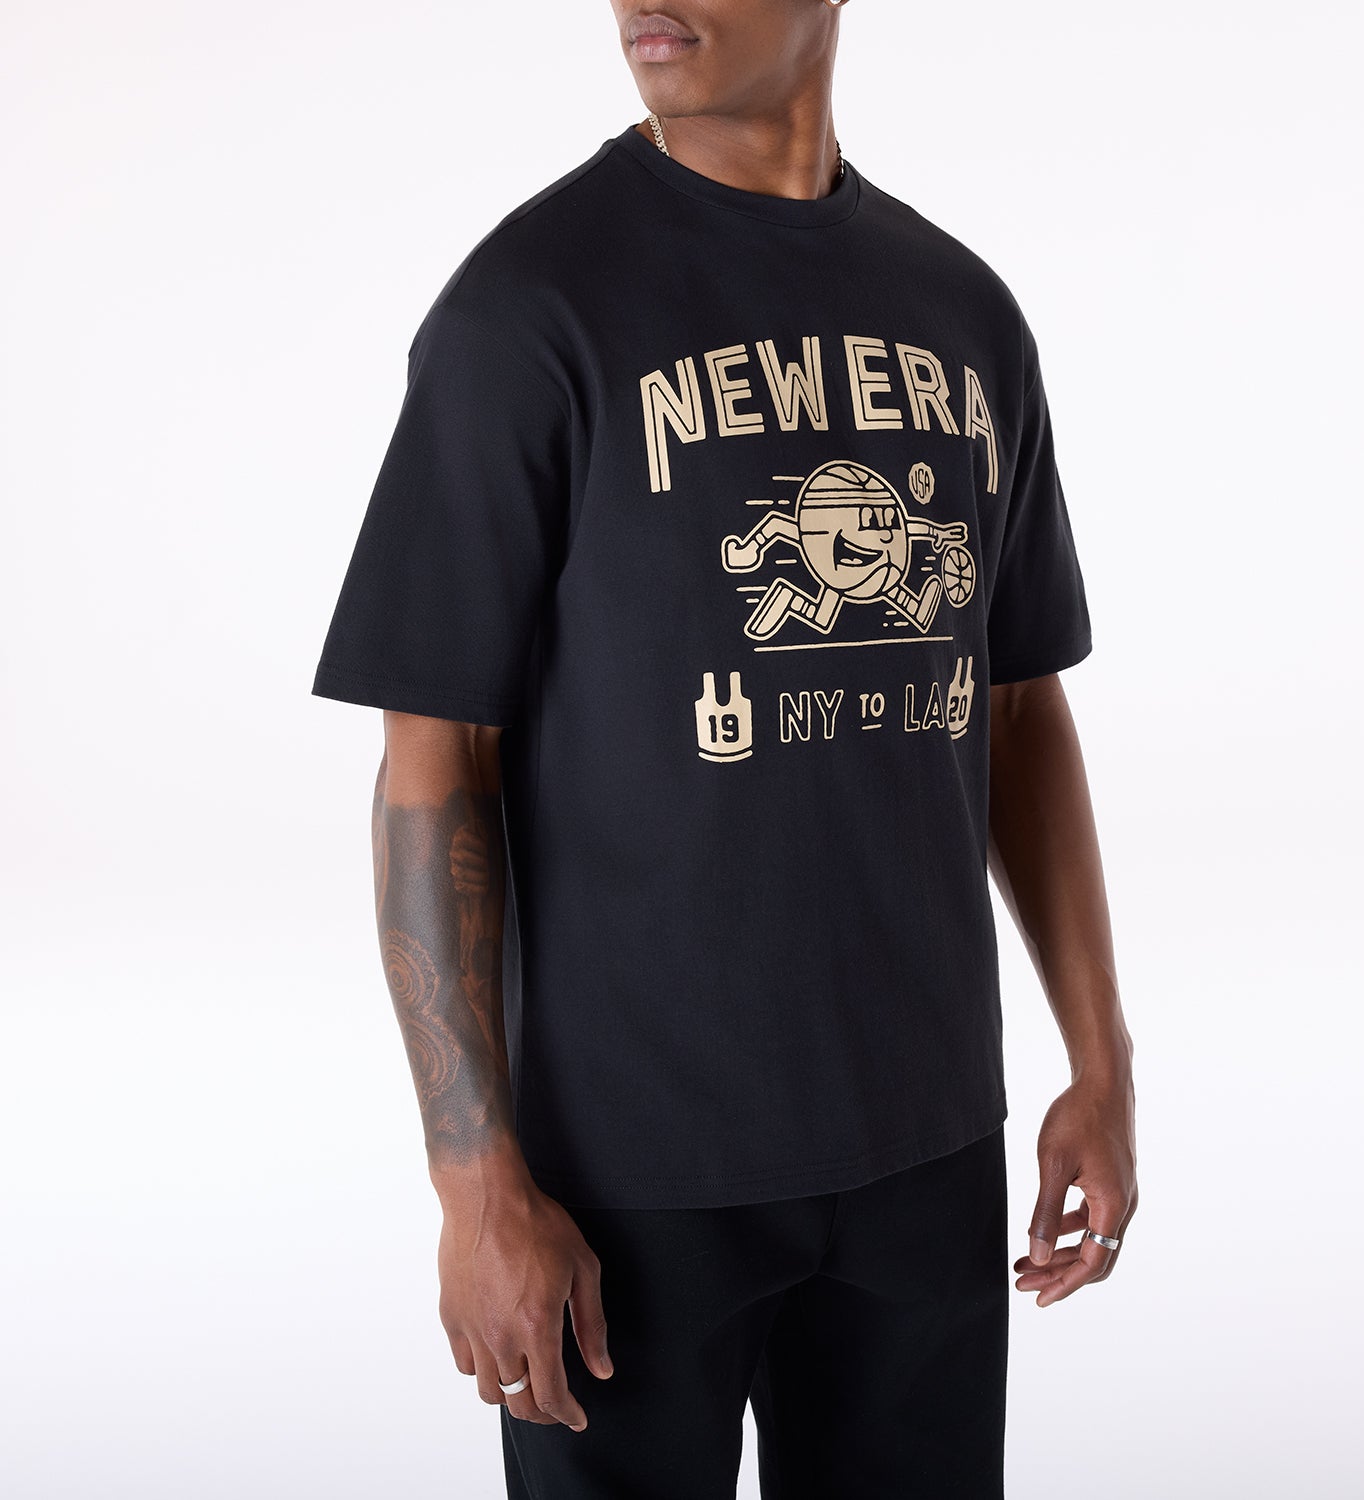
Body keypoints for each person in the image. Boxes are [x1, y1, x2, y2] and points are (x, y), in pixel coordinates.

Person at [310, 2, 1138, 1493]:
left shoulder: (964, 312)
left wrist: (1102, 1059)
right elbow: (435, 764)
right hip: (626, 1182)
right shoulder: (526, 308)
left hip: (927, 1147)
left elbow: (1015, 705)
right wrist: (475, 1180)